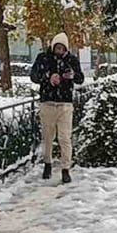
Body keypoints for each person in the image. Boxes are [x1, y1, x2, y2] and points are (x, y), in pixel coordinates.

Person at [30, 33, 83, 183]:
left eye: (62, 48)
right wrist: (48, 76)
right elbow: (34, 75)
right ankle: (47, 163)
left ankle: (65, 168)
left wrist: (72, 75)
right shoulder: (43, 58)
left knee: (65, 138)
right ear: (53, 47)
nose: (59, 51)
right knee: (47, 137)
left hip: (65, 104)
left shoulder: (71, 60)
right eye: (57, 48)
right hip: (47, 102)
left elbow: (81, 78)